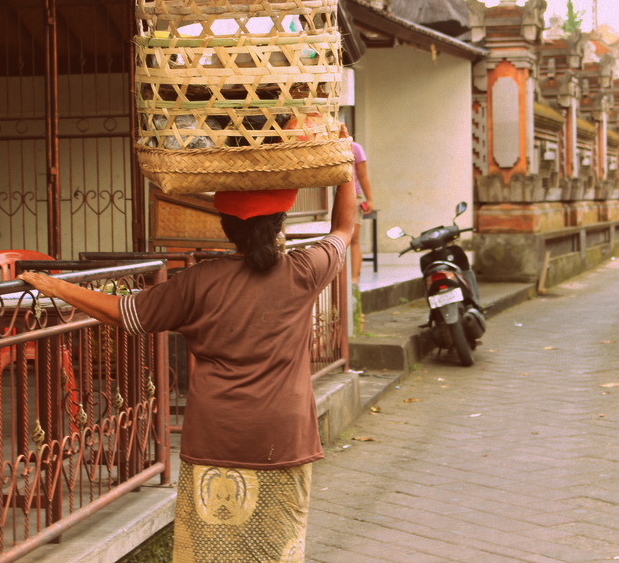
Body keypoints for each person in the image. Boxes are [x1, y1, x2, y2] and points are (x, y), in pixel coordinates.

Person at [19, 181, 356, 563]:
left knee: (211, 552)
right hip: (283, 433)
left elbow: (123, 312)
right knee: (277, 549)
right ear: (280, 223)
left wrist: (56, 286)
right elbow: (343, 229)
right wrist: (344, 170)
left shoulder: (200, 280)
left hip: (216, 434)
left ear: (227, 228)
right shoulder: (304, 269)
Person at [348, 130, 373, 286]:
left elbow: (363, 176)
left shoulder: (355, 147)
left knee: (354, 238)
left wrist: (369, 199)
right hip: (332, 198)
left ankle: (354, 279)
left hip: (353, 196)